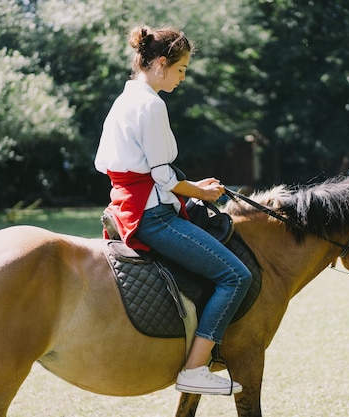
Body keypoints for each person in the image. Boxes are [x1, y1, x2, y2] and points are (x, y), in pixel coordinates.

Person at [94, 25, 252, 396]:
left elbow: (119, 166)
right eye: (180, 70)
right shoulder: (151, 104)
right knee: (236, 276)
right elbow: (162, 174)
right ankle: (195, 368)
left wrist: (190, 188)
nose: (182, 79)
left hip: (126, 206)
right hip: (153, 216)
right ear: (161, 64)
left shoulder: (123, 100)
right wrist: (199, 191)